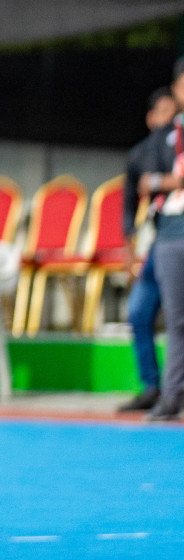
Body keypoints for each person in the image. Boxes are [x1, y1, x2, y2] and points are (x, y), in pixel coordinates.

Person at [118, 86, 176, 412]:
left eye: (174, 112)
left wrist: (164, 182)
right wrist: (129, 251)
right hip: (159, 243)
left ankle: (173, 390)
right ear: (151, 118)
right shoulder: (141, 154)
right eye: (163, 113)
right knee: (140, 313)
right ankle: (152, 386)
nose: (169, 120)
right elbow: (129, 205)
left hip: (179, 240)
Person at [133, 58, 184, 421]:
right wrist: (171, 182)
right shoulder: (166, 136)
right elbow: (145, 180)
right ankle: (170, 395)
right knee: (176, 319)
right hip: (170, 234)